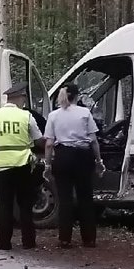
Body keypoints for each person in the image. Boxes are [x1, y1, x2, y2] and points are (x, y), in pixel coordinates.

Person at [0, 82, 45, 251]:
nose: (24, 101)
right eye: (23, 98)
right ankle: (28, 241)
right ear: (19, 98)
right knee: (25, 204)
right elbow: (39, 140)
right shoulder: (26, 116)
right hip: (22, 165)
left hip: (2, 166)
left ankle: (4, 242)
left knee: (5, 204)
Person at [44, 82, 104, 248]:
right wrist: (98, 161)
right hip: (83, 157)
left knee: (65, 199)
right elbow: (93, 140)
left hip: (63, 157)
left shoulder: (53, 115)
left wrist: (48, 165)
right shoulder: (84, 113)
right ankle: (89, 238)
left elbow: (49, 143)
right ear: (78, 96)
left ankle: (64, 238)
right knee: (85, 198)